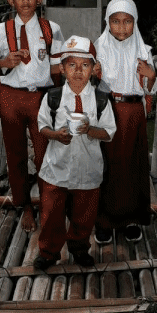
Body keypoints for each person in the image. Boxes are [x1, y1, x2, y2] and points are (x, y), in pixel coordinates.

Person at [0, 0, 64, 232]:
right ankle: (24, 205)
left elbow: (57, 67)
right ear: (10, 1)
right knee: (15, 153)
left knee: (44, 154)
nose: (26, 0)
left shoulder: (52, 29)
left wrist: (63, 98)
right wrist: (4, 62)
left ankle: (48, 201)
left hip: (41, 96)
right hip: (11, 96)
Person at [33, 35, 116, 269]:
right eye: (72, 65)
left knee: (84, 214)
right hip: (56, 167)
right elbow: (42, 126)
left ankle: (79, 248)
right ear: (62, 68)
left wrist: (91, 130)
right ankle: (48, 252)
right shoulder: (53, 97)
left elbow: (109, 132)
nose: (78, 71)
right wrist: (56, 135)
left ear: (93, 69)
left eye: (85, 65)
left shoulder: (101, 99)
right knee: (51, 214)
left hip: (88, 168)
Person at [93, 0, 157, 244]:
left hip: (133, 114)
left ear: (135, 23)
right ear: (107, 22)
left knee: (133, 166)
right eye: (116, 21)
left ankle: (132, 219)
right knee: (106, 166)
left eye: (127, 21)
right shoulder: (97, 49)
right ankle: (104, 221)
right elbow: (86, 86)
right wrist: (94, 75)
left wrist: (150, 77)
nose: (121, 27)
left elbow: (150, 90)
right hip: (107, 111)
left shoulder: (144, 52)